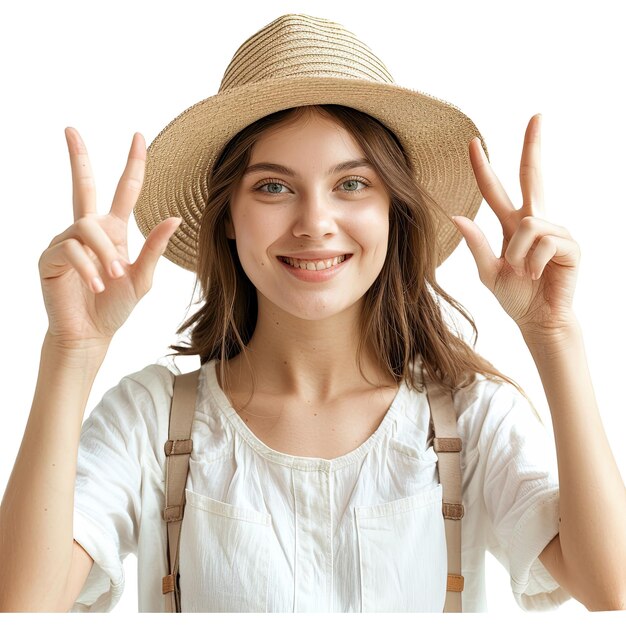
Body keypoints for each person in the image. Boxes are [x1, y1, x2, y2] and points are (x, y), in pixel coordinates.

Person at [0, 12, 624, 614]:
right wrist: (72, 349)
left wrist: (554, 335)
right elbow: (23, 605)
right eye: (273, 186)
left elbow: (611, 591)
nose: (314, 224)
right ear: (227, 220)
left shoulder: (471, 418)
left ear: (393, 214)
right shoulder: (150, 421)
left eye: (352, 184)